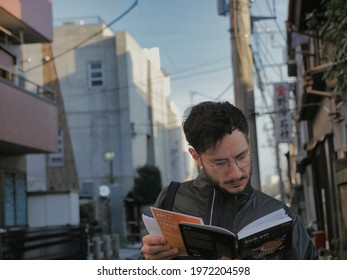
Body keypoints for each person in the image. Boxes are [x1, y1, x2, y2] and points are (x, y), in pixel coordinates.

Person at [141, 101, 318, 260]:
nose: (235, 173)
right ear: (196, 157)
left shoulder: (282, 218)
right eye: (220, 162)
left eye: (241, 157)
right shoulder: (171, 200)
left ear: (248, 142)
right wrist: (149, 261)